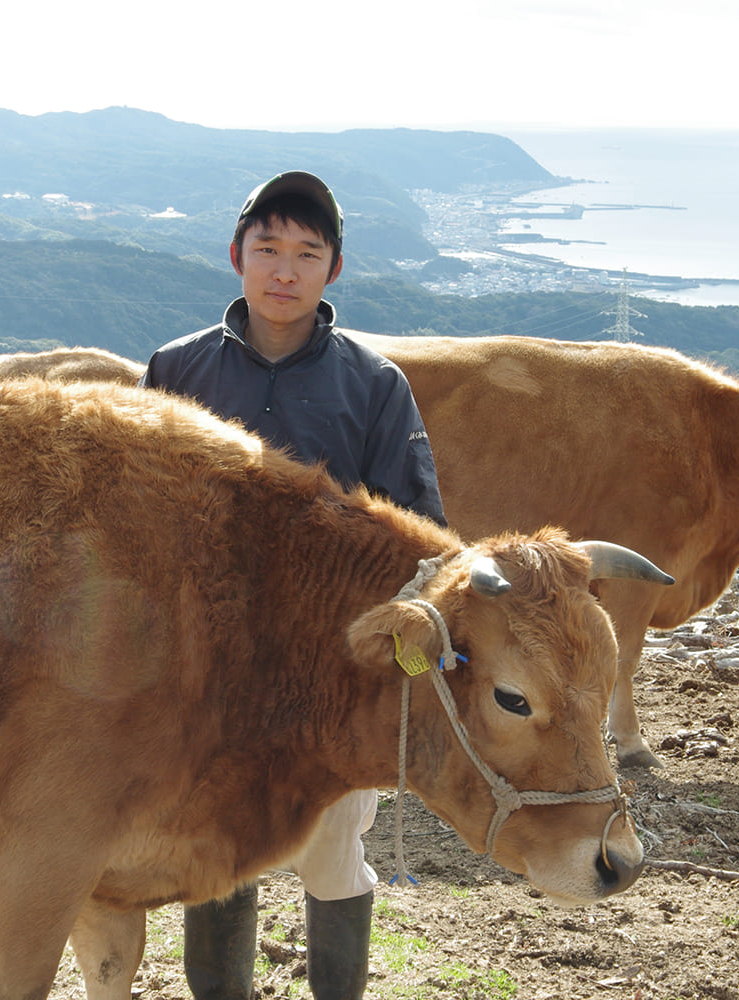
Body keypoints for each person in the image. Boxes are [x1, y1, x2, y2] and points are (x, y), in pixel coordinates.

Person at [140, 170, 446, 1000]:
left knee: (332, 851)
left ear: (332, 270)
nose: (285, 271)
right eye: (268, 250)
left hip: (332, 679)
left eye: (306, 254)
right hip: (211, 672)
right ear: (237, 256)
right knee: (217, 849)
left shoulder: (375, 386)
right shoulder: (177, 367)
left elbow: (420, 535)